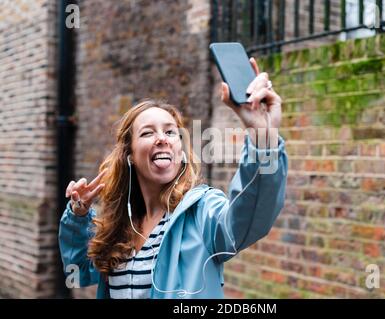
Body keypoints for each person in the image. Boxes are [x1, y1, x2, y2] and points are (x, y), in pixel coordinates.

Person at [58, 58, 288, 299]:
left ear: (180, 149)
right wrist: (78, 215)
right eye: (148, 132)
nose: (162, 139)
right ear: (130, 155)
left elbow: (248, 218)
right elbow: (78, 273)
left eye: (170, 132)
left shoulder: (201, 213)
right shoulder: (120, 225)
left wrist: (263, 139)